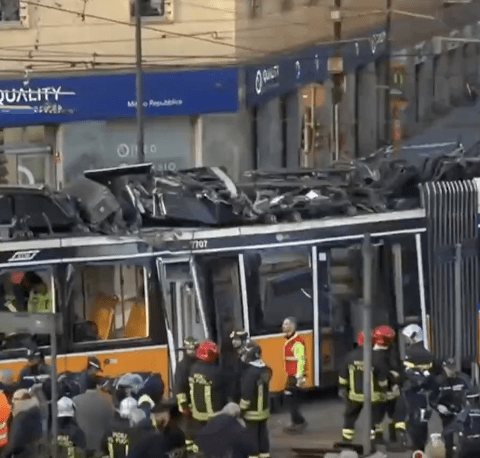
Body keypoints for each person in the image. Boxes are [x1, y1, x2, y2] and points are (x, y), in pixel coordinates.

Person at [338, 329, 389, 444]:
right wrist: (384, 390)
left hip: (354, 396)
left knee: (350, 417)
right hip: (373, 396)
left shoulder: (350, 356)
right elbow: (382, 378)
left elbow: (343, 376)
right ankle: (376, 439)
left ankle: (347, 440)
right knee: (376, 418)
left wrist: (343, 389)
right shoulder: (376, 356)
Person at [395, 324, 437, 451]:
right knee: (422, 419)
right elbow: (434, 372)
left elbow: (406, 372)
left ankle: (407, 440)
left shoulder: (410, 353)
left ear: (413, 337)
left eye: (407, 337)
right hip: (425, 392)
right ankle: (421, 445)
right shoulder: (428, 353)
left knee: (406, 415)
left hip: (411, 390)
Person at [188, 340, 228, 449]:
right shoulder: (216, 372)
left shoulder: (193, 369)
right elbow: (223, 392)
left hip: (197, 412)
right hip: (213, 413)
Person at [430, 358, 472, 458]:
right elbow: (431, 398)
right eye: (448, 368)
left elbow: (471, 392)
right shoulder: (438, 381)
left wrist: (468, 402)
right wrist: (438, 406)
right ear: (444, 368)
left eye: (452, 367)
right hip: (446, 413)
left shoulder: (463, 378)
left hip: (461, 412)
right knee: (448, 438)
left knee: (464, 438)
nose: (451, 370)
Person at [239, 340, 272, 458]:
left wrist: (240, 410)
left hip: (251, 413)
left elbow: (247, 396)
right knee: (263, 435)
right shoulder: (266, 369)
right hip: (264, 410)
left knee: (252, 438)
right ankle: (265, 455)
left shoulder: (249, 374)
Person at [372, 325, 400, 443]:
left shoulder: (370, 354)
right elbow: (387, 373)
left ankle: (377, 438)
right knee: (394, 415)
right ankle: (394, 436)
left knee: (376, 418)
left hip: (375, 392)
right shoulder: (387, 355)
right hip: (388, 391)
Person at [73, 378, 115, 458]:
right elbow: (110, 423)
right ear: (97, 386)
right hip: (100, 447)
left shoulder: (76, 400)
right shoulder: (107, 401)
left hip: (82, 446)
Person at [282, 317, 307, 433]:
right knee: (291, 399)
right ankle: (298, 421)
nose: (283, 327)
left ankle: (298, 422)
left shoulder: (297, 343)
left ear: (293, 327)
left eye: (286, 324)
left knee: (292, 399)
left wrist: (299, 377)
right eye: (283, 324)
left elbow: (301, 360)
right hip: (291, 375)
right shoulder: (290, 341)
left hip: (295, 376)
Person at [174, 336, 198, 455]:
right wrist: (183, 404)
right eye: (190, 349)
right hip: (188, 403)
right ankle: (190, 451)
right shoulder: (182, 366)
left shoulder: (198, 363)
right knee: (189, 428)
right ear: (185, 350)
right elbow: (179, 386)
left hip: (197, 402)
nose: (193, 351)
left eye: (195, 349)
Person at [2, 389, 43, 458]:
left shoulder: (21, 418)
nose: (12, 402)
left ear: (20, 400)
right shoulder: (36, 413)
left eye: (15, 399)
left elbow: (14, 443)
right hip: (36, 453)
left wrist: (4, 455)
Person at [444, 387, 480, 458]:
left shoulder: (464, 412)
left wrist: (443, 434)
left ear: (467, 401)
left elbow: (453, 427)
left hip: (467, 446)